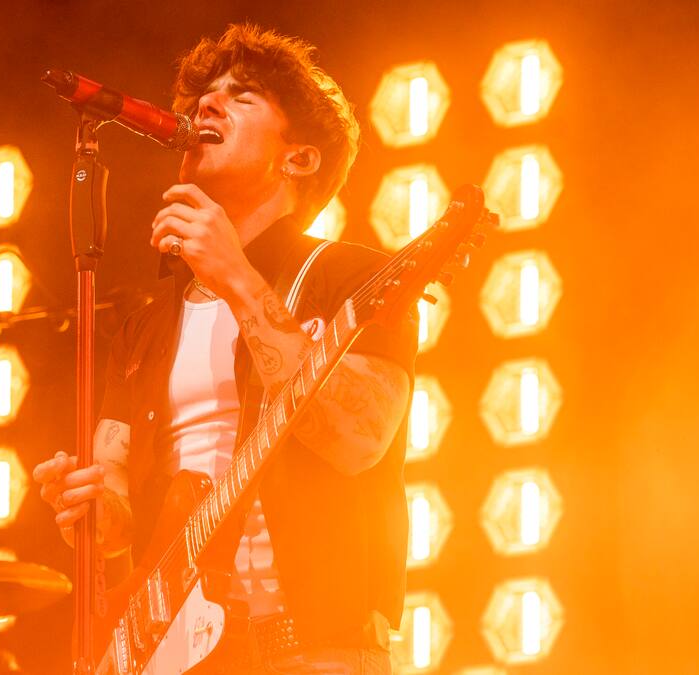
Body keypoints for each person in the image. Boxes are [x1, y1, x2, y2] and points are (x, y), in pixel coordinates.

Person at [33, 23, 417, 673]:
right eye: (204, 94)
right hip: (177, 654)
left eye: (243, 96)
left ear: (299, 159)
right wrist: (91, 509)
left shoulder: (354, 278)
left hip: (313, 652)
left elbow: (361, 439)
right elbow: (117, 509)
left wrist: (238, 277)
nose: (208, 103)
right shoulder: (144, 327)